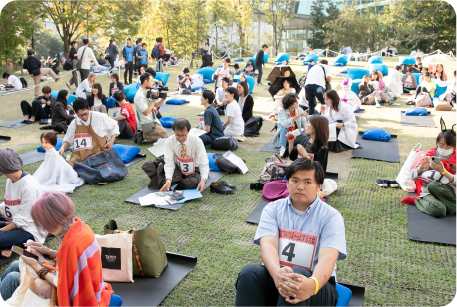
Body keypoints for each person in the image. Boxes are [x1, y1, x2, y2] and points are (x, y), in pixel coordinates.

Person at [235, 158, 346, 307]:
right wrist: (276, 273)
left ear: (319, 187)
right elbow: (268, 246)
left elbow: (328, 257)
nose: (300, 187)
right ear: (287, 183)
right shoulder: (272, 209)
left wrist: (312, 285)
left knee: (297, 276)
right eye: (295, 181)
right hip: (277, 277)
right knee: (250, 273)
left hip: (316, 285)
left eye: (307, 182)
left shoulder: (331, 216)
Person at [5, 191, 115, 306]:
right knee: (15, 265)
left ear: (53, 222)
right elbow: (75, 263)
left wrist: (37, 266)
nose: (45, 229)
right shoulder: (81, 227)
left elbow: (61, 284)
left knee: (13, 278)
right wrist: (49, 252)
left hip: (79, 297)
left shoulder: (70, 244)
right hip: (93, 288)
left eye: (44, 224)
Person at [0, 148, 47, 253]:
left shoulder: (29, 186)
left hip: (28, 229)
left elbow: (24, 220)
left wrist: (2, 230)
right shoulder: (10, 180)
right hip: (13, 221)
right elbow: (9, 205)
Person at [58, 97, 119, 166]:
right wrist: (62, 149)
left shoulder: (99, 116)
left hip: (98, 154)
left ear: (88, 108)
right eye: (80, 115)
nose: (84, 117)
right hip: (80, 155)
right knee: (69, 170)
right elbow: (68, 140)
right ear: (75, 113)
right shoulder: (74, 123)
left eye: (86, 113)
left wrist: (111, 141)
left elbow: (114, 125)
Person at [411, 128, 457, 217]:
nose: (444, 148)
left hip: (449, 192)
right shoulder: (430, 154)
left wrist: (443, 171)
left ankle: (451, 206)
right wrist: (421, 168)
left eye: (448, 146)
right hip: (429, 191)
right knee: (440, 210)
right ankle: (420, 201)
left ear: (454, 147)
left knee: (436, 186)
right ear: (437, 143)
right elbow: (413, 176)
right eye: (441, 145)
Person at [159, 118, 209, 192]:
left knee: (193, 183)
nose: (180, 138)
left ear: (188, 132)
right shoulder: (169, 141)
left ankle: (179, 182)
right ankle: (173, 182)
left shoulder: (197, 141)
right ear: (174, 132)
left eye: (183, 135)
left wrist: (203, 180)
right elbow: (169, 162)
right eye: (177, 135)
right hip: (177, 167)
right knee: (158, 171)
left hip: (193, 170)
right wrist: (168, 180)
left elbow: (203, 161)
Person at [134, 72, 168, 143]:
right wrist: (153, 100)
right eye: (151, 81)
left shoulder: (146, 92)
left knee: (165, 136)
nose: (152, 83)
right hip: (146, 125)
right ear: (145, 81)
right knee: (165, 137)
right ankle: (143, 136)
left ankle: (146, 136)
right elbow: (146, 112)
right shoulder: (139, 96)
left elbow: (154, 106)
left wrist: (162, 100)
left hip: (152, 121)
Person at [272, 93, 308, 157]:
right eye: (295, 101)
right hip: (286, 135)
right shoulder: (281, 111)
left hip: (295, 135)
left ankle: (290, 144)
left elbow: (304, 124)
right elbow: (285, 124)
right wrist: (297, 116)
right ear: (289, 103)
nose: (297, 103)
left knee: (308, 135)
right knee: (284, 129)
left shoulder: (299, 110)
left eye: (297, 101)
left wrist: (304, 129)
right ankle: (282, 148)